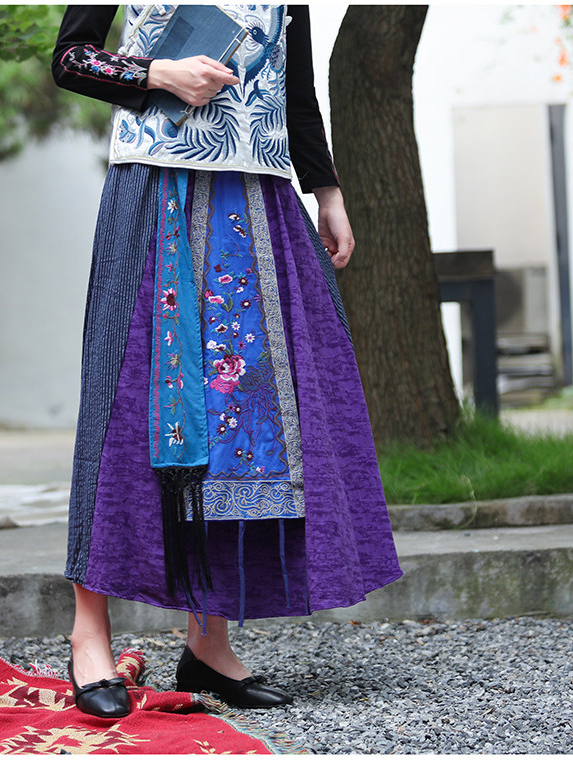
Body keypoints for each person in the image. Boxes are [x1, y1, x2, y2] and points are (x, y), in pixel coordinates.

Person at [51, 4, 402, 719]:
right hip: (153, 187)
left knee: (242, 420)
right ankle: (89, 635)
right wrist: (159, 73)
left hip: (258, 196)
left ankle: (208, 644)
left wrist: (327, 189)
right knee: (126, 403)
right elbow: (71, 57)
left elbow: (295, 86)